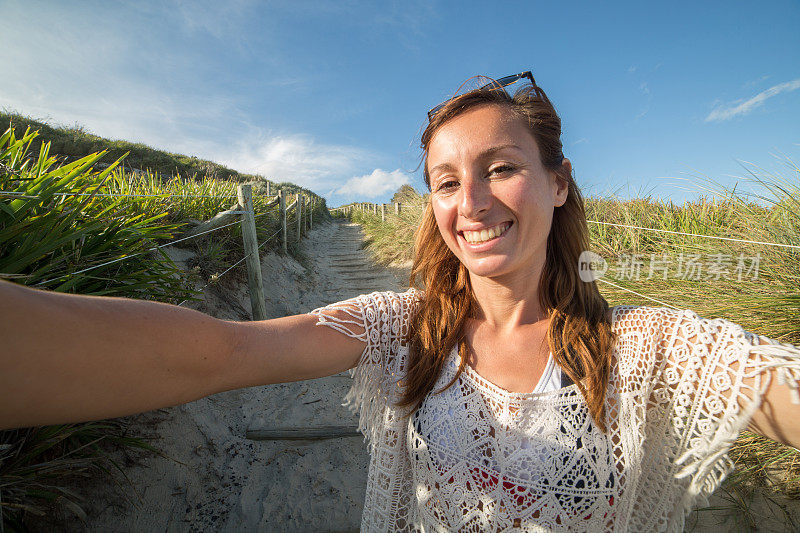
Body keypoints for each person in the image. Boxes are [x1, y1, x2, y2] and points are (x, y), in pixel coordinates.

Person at [1, 71, 799, 532]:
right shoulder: (401, 327)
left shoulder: (649, 346)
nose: (473, 202)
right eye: (447, 182)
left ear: (558, 182)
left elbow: (768, 383)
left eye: (501, 168)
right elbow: (225, 350)